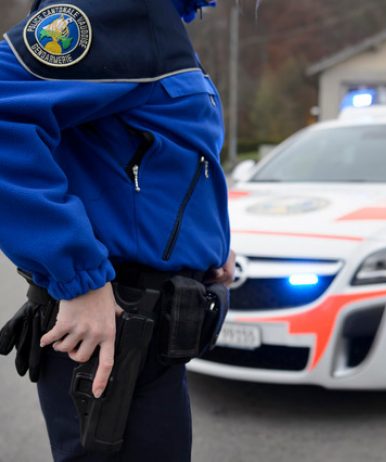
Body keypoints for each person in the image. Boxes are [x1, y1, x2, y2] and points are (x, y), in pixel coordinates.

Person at [0, 0, 234, 460]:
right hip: (116, 326)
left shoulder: (157, 18)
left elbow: (159, 150)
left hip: (150, 332)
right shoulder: (121, 5)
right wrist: (79, 277)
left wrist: (210, 237)